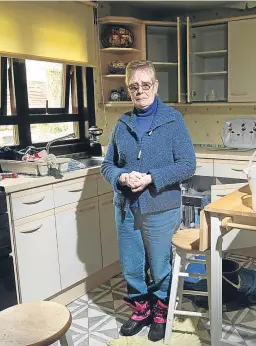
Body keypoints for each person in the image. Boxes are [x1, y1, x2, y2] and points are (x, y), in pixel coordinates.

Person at [100, 60, 196, 342]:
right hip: (126, 208)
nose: (139, 90)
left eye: (145, 85)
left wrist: (152, 177)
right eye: (133, 86)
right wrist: (121, 177)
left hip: (161, 207)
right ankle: (141, 310)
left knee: (159, 263)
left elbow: (188, 164)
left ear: (155, 86)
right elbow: (107, 165)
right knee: (131, 263)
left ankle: (161, 313)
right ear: (128, 88)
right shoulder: (123, 123)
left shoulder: (173, 120)